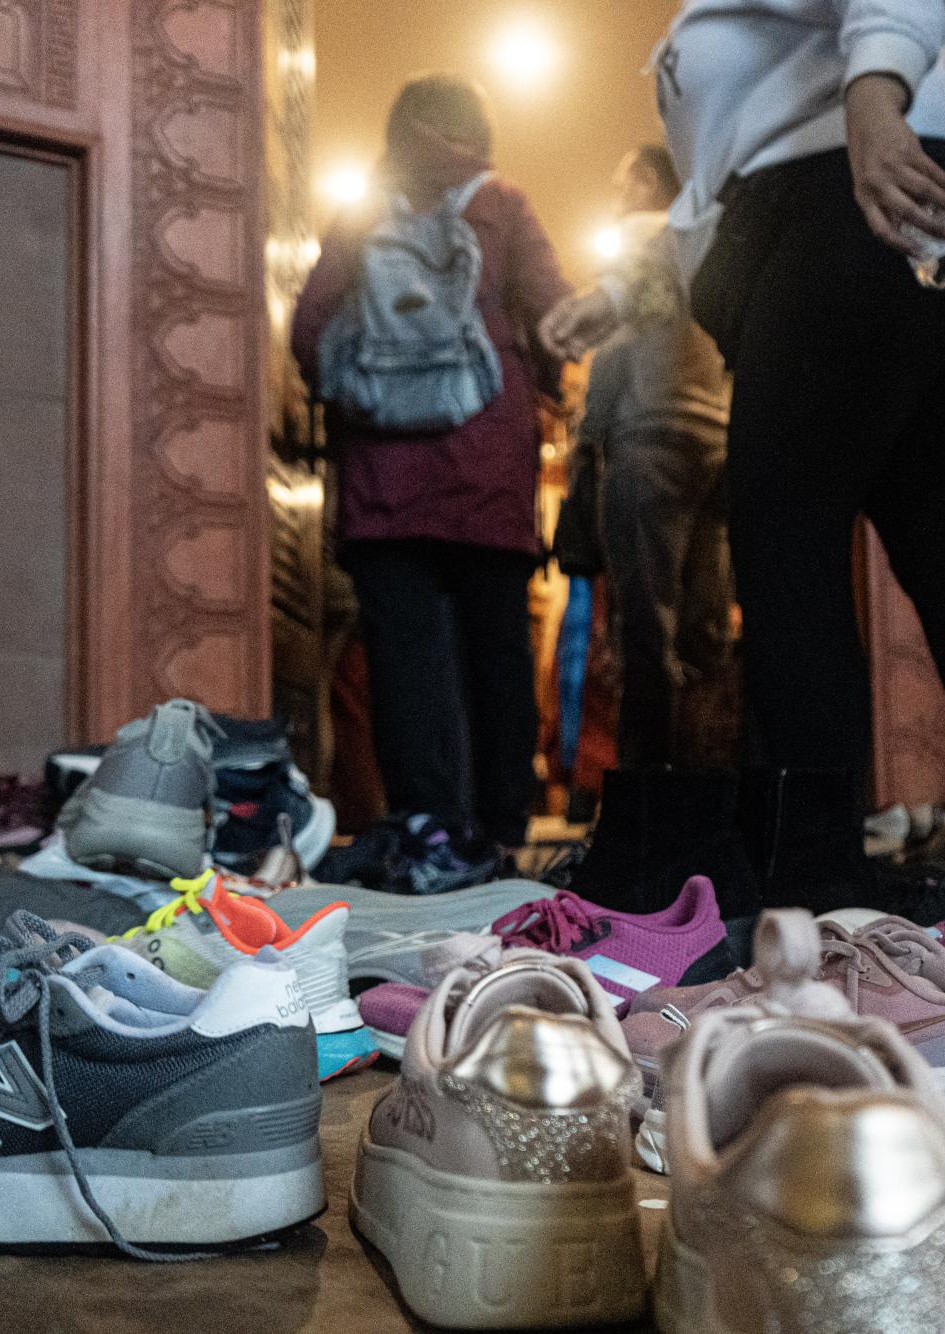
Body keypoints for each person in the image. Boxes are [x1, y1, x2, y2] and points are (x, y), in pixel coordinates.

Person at [542, 1, 945, 1040]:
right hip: (905, 209)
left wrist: (876, 105)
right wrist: (626, 292)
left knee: (787, 548)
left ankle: (819, 921)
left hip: (855, 206)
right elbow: (725, 172)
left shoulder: (826, 89)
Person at [292, 74, 573, 859]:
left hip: (385, 485)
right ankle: (502, 828)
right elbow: (555, 318)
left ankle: (425, 819)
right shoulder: (501, 204)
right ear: (475, 130)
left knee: (403, 657)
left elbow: (311, 326)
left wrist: (359, 401)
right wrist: (543, 393)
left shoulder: (362, 213)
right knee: (497, 653)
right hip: (487, 471)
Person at [573, 145, 734, 769]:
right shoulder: (709, 239)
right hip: (714, 445)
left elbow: (615, 350)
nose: (618, 197)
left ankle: (648, 802)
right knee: (705, 632)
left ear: (647, 182)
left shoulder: (636, 239)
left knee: (646, 633)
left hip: (649, 440)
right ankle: (706, 788)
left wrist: (589, 436)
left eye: (622, 182)